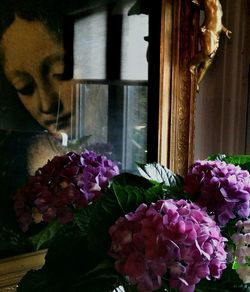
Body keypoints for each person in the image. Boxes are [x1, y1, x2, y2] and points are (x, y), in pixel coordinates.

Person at [0, 0, 113, 258]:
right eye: (25, 87)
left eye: (60, 73)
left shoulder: (133, 141)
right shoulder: (16, 164)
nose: (47, 104)